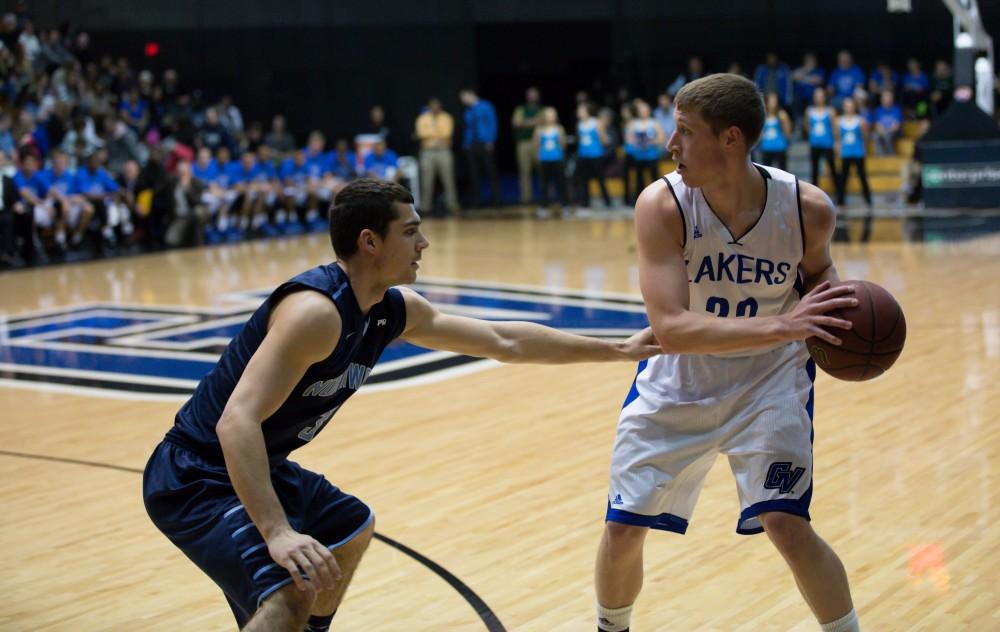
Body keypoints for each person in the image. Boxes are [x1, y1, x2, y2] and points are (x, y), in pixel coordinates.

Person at [143, 178, 659, 632]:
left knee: (349, 529)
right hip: (196, 475)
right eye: (410, 231)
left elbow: (505, 340)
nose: (424, 242)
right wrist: (276, 532)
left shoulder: (393, 310)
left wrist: (615, 349)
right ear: (370, 241)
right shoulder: (315, 313)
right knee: (291, 587)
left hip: (257, 463)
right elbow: (237, 422)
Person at [594, 74, 861, 632]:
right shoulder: (662, 205)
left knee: (786, 525)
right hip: (678, 382)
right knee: (622, 530)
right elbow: (672, 330)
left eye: (686, 133)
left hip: (771, 384)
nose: (672, 145)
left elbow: (819, 281)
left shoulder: (808, 208)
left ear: (731, 140)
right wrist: (785, 323)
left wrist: (842, 320)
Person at [835, 97, 873, 242]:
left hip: (858, 152)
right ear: (844, 107)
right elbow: (838, 138)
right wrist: (839, 148)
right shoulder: (839, 121)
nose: (848, 107)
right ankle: (841, 202)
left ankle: (868, 201)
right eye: (846, 105)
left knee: (862, 176)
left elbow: (865, 136)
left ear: (854, 107)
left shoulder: (860, 121)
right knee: (843, 178)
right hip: (845, 153)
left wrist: (864, 149)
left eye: (851, 105)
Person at [415, 97, 459, 215]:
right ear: (429, 107)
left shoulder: (446, 117)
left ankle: (452, 205)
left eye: (437, 105)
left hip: (444, 151)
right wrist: (437, 135)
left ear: (440, 106)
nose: (435, 108)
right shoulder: (422, 118)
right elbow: (421, 133)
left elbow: (447, 133)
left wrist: (432, 135)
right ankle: (425, 207)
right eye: (432, 106)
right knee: (426, 180)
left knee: (448, 179)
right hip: (427, 152)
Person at [460, 88, 500, 207]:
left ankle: (496, 200)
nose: (463, 101)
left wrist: (491, 140)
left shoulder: (486, 106)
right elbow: (467, 127)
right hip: (472, 144)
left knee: (490, 172)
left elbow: (493, 123)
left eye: (464, 98)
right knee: (474, 173)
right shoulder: (468, 111)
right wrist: (466, 143)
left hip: (485, 142)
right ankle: (477, 200)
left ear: (471, 95)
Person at [575, 102, 612, 211]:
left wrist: (602, 138)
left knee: (600, 179)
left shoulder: (596, 123)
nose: (579, 113)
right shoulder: (579, 124)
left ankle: (607, 202)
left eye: (581, 110)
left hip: (596, 155)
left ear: (587, 111)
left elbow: (604, 140)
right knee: (584, 180)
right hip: (583, 155)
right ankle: (585, 203)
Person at [533, 106, 568, 216]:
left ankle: (564, 205)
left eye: (553, 114)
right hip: (544, 159)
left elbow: (563, 144)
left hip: (557, 159)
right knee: (544, 184)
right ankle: (544, 207)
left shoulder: (559, 129)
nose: (551, 117)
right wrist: (539, 154)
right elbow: (536, 144)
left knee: (561, 183)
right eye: (548, 114)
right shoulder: (539, 129)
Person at [806, 88, 840, 200]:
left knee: (833, 170)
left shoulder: (830, 111)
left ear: (824, 97)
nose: (819, 98)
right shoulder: (809, 111)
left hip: (828, 144)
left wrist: (836, 142)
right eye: (817, 95)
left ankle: (839, 197)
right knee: (814, 171)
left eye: (821, 95)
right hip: (814, 144)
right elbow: (808, 126)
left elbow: (835, 127)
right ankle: (814, 198)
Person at [512, 87, 543, 204]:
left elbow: (544, 121)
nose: (532, 96)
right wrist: (535, 121)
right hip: (523, 143)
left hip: (539, 143)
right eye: (530, 94)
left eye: (534, 94)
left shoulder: (542, 109)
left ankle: (546, 196)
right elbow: (516, 122)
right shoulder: (520, 109)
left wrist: (524, 122)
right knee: (524, 171)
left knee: (543, 170)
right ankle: (526, 197)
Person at [759, 92, 792, 170]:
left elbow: (787, 131)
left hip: (780, 147)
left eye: (774, 101)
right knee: (766, 173)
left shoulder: (782, 114)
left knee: (783, 171)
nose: (773, 103)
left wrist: (786, 143)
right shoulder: (763, 116)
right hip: (766, 147)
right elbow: (761, 132)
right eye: (771, 101)